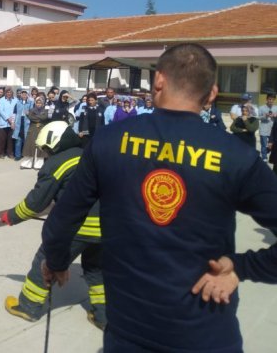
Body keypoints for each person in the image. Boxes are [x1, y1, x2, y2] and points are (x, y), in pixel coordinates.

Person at [40, 43, 277, 352]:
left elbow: (62, 219)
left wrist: (57, 261)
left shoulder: (108, 141)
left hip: (128, 329)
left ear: (159, 81)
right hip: (205, 333)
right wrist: (241, 267)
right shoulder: (237, 156)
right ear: (212, 93)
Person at [0, 121, 105, 329]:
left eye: (46, 149)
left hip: (77, 227)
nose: (45, 153)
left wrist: (11, 217)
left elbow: (36, 203)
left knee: (45, 261)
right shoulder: (89, 153)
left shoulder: (58, 163)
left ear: (54, 144)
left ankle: (28, 307)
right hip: (108, 227)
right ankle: (103, 316)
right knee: (97, 270)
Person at [20, 94, 49, 169]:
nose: (38, 104)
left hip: (41, 129)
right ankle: (26, 164)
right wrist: (38, 118)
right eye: (37, 103)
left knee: (40, 147)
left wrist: (35, 117)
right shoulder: (32, 110)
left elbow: (44, 117)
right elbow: (30, 118)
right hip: (32, 129)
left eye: (40, 103)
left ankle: (38, 165)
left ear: (42, 103)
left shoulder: (45, 110)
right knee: (29, 146)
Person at [13, 88, 33, 160]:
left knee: (26, 140)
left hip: (27, 122)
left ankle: (25, 154)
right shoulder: (18, 103)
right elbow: (14, 113)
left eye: (25, 94)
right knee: (18, 140)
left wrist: (29, 113)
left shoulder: (30, 103)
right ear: (20, 95)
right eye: (22, 94)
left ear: (27, 95)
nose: (24, 95)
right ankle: (17, 155)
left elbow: (32, 112)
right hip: (19, 122)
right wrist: (13, 122)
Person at [0, 87, 17, 159]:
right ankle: (1, 153)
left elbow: (16, 111)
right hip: (3, 122)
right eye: (7, 92)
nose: (9, 93)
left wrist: (13, 121)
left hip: (12, 122)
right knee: (2, 139)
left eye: (10, 92)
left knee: (11, 139)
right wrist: (8, 119)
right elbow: (1, 111)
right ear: (5, 93)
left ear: (12, 93)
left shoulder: (15, 100)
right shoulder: (1, 100)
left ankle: (10, 153)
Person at [258, 94, 276, 161]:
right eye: (269, 99)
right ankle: (264, 158)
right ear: (267, 99)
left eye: (272, 99)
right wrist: (265, 116)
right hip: (264, 129)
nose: (271, 101)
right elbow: (258, 117)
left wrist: (275, 116)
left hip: (273, 130)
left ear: (274, 100)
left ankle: (266, 151)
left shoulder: (276, 108)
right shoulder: (261, 108)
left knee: (273, 145)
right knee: (264, 145)